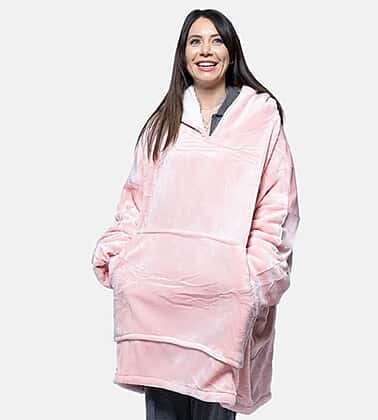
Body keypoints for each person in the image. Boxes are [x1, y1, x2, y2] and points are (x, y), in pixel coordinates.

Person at [91, 8, 301, 419]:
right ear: (183, 54)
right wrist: (120, 261)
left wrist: (251, 280)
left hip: (223, 309)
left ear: (231, 51)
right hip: (160, 308)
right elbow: (134, 204)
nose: (206, 50)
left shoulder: (261, 120)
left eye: (216, 40)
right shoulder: (164, 123)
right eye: (195, 41)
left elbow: (277, 208)